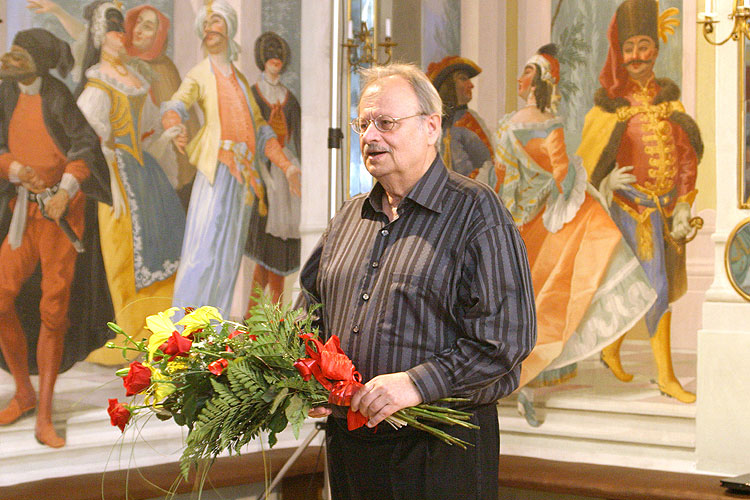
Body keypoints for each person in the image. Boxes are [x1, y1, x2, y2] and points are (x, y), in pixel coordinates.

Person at [296, 63, 536, 500]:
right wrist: (307, 371)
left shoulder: (477, 213)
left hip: (439, 450)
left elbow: (506, 340)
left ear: (430, 127)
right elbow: (309, 309)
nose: (369, 137)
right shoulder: (348, 217)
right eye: (363, 123)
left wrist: (415, 384)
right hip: (351, 447)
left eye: (385, 123)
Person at [494, 44, 656, 426]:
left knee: (524, 305)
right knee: (553, 295)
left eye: (525, 75)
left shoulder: (506, 125)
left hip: (515, 223)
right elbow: (565, 180)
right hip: (546, 222)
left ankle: (520, 383)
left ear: (534, 82)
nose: (520, 80)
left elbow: (502, 181)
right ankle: (527, 381)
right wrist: (590, 186)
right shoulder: (549, 125)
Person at [577, 0, 702, 403]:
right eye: (629, 48)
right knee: (656, 286)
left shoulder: (671, 104)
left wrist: (684, 203)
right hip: (630, 209)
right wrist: (607, 180)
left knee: (646, 286)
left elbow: (686, 157)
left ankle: (612, 348)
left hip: (666, 210)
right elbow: (590, 163)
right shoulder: (608, 108)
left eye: (643, 46)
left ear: (656, 50)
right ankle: (666, 377)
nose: (635, 56)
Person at [0, 28, 111, 447]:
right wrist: (13, 168)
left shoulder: (58, 96)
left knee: (53, 309)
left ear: (39, 61)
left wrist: (64, 192)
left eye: (20, 54)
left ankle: (44, 413)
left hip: (62, 216)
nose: (10, 59)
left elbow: (85, 148)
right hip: (22, 211)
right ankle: (23, 394)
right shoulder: (5, 93)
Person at [161, 0, 300, 316]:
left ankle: (213, 330)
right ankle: (181, 332)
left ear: (229, 30)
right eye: (206, 25)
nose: (210, 29)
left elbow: (262, 130)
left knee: (227, 259)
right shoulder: (199, 74)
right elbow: (176, 105)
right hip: (216, 171)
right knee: (202, 253)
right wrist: (175, 126)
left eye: (217, 23)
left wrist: (287, 166)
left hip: (242, 180)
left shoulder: (238, 79)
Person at [75, 2, 186, 365]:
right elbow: (90, 141)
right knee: (123, 253)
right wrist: (108, 176)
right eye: (114, 31)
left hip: (145, 171)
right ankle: (130, 330)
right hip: (115, 178)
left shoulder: (136, 77)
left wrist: (166, 136)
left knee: (164, 246)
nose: (122, 37)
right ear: (100, 38)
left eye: (122, 30)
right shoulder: (97, 84)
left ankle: (162, 330)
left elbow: (145, 133)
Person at [26, 0, 199, 209]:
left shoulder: (142, 74)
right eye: (116, 28)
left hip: (146, 176)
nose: (125, 33)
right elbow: (87, 146)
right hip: (114, 184)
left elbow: (153, 125)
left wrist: (169, 132)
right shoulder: (99, 86)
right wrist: (59, 12)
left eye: (148, 27)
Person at [244, 32, 301, 311]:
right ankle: (258, 316)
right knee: (265, 253)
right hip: (260, 175)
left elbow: (298, 140)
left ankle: (257, 317)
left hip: (285, 173)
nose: (274, 62)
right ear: (263, 60)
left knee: (276, 253)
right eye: (270, 57)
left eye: (278, 57)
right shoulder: (252, 95)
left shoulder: (290, 100)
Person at [426, 55, 494, 183]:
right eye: (463, 79)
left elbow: (487, 163)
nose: (471, 85)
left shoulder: (470, 119)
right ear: (449, 85)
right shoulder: (437, 123)